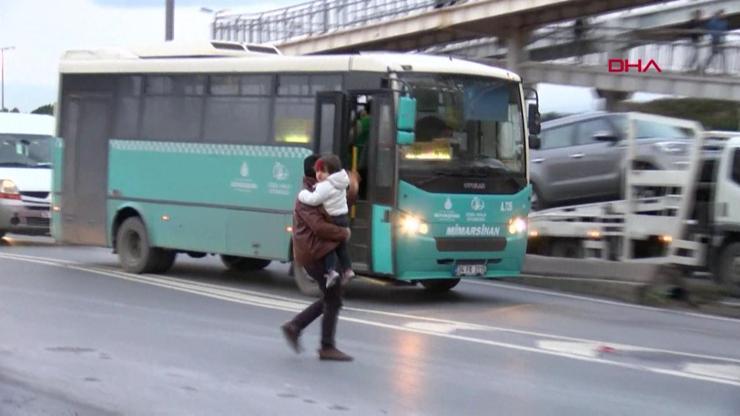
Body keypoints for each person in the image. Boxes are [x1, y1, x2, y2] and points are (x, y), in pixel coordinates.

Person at [281, 154, 357, 362]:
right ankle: (323, 344)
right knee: (333, 299)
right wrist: (344, 234)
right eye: (322, 170)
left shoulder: (324, 190)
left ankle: (296, 328)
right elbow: (318, 227)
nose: (325, 174)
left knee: (332, 298)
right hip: (315, 254)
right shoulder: (308, 196)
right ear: (313, 173)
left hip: (319, 252)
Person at [297, 155, 355, 287]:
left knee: (327, 246)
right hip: (343, 217)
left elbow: (314, 200)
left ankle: (331, 271)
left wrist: (302, 194)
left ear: (331, 172)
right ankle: (348, 269)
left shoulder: (325, 186)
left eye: (323, 171)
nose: (319, 175)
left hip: (332, 218)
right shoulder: (341, 182)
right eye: (317, 171)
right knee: (341, 247)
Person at [703, 9, 728, 73]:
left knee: (720, 54)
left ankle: (723, 70)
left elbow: (724, 30)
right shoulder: (714, 22)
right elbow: (710, 29)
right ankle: (705, 67)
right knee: (713, 54)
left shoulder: (723, 22)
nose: (724, 15)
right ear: (719, 14)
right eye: (723, 14)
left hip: (720, 40)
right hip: (715, 40)